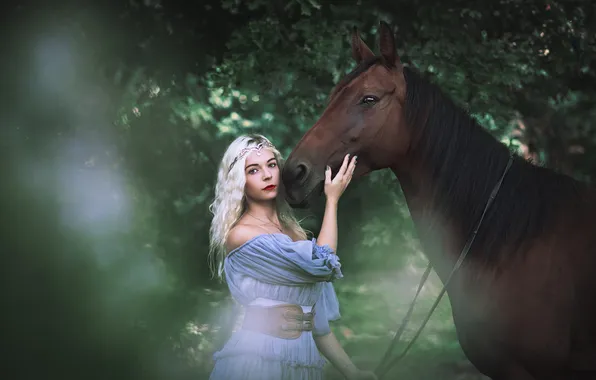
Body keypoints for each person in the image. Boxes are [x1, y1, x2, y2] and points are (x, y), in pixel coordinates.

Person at [208, 134, 376, 380]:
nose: (267, 175)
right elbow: (322, 264)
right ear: (239, 181)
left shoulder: (295, 232)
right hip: (256, 361)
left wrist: (353, 372)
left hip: (302, 365)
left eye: (271, 164)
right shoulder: (241, 235)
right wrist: (332, 200)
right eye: (254, 170)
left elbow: (318, 327)